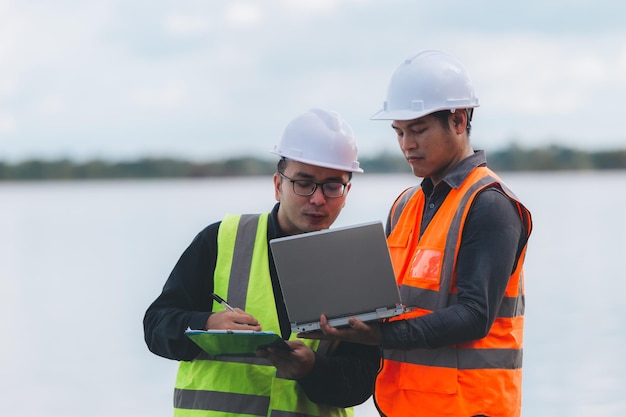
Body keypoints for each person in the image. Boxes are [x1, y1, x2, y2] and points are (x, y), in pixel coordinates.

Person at [304, 50, 533, 417]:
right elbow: (388, 305)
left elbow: (475, 315)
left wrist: (381, 336)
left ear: (458, 121)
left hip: (471, 409)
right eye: (399, 132)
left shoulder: (489, 205)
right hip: (404, 407)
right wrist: (337, 324)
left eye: (419, 130)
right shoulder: (404, 206)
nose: (407, 144)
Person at [143, 108, 380, 417]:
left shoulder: (358, 268)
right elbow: (156, 327)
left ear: (346, 192)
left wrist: (313, 369)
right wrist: (205, 323)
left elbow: (359, 384)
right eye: (304, 182)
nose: (318, 199)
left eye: (332, 185)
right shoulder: (219, 240)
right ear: (277, 185)